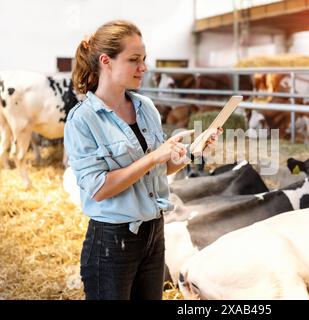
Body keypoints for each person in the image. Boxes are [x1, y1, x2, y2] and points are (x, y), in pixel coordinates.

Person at [64, 20, 221, 300]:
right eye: (134, 60)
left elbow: (160, 169)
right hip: (112, 242)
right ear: (106, 61)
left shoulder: (145, 107)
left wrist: (193, 152)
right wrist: (153, 158)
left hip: (154, 232)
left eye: (144, 59)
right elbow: (99, 189)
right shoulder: (82, 120)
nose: (143, 67)